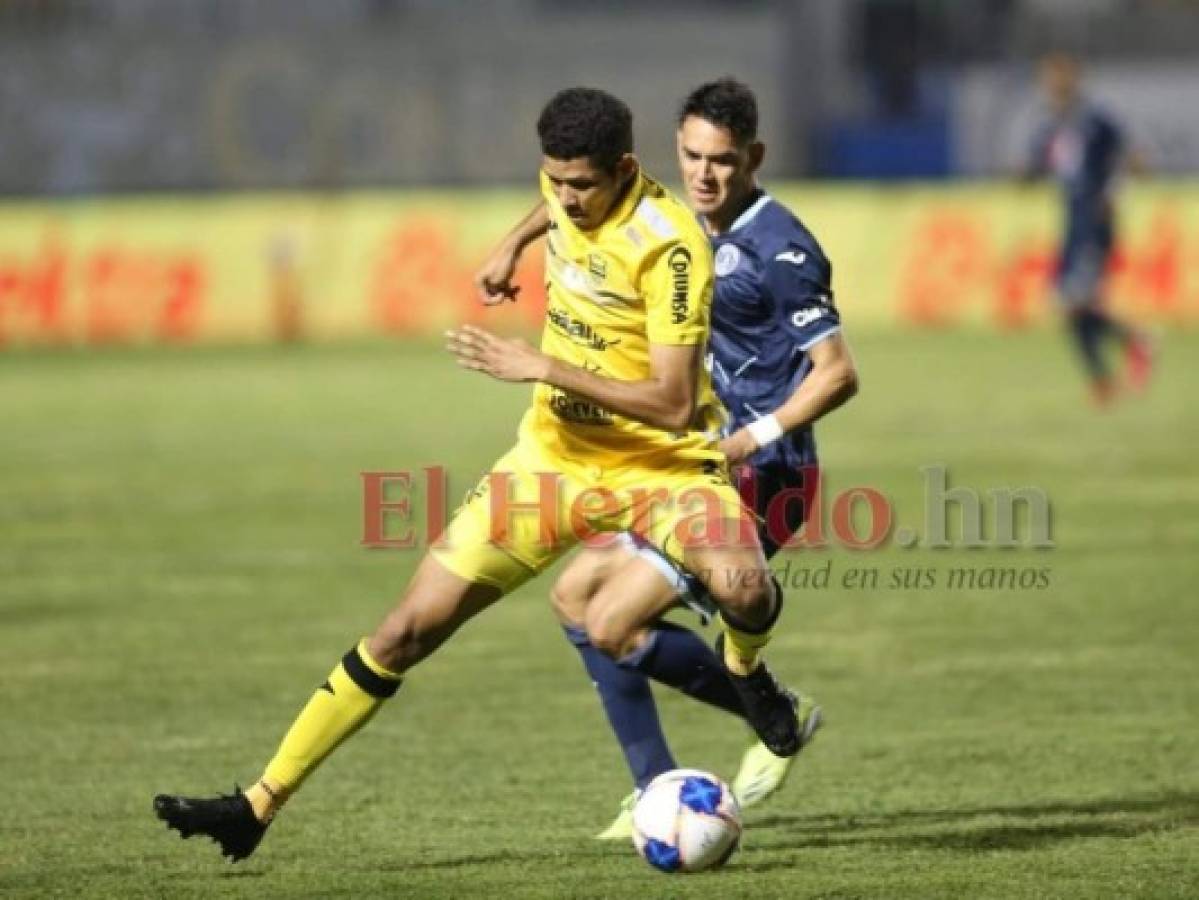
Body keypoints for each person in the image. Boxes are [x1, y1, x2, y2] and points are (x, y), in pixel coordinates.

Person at [153, 86, 802, 862]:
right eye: (552, 179)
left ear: (624, 169)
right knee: (402, 632)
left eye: (580, 185)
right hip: (550, 464)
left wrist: (540, 363)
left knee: (745, 589)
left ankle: (744, 667)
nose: (564, 196)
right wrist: (511, 246)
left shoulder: (669, 246)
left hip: (661, 468)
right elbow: (549, 207)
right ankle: (255, 805)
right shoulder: (564, 188)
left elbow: (668, 401)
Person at [476, 78, 859, 839]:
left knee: (612, 622)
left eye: (720, 159)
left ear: (752, 156)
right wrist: (517, 238)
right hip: (680, 463)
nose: (702, 173)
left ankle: (764, 711)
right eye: (689, 154)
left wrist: (753, 436)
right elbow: (569, 190)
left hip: (759, 473)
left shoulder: (779, 248)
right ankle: (659, 784)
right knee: (571, 605)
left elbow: (838, 373)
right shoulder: (673, 221)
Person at [1026, 53, 1153, 405]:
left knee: (1075, 300)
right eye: (1046, 78)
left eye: (1057, 77)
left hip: (1095, 223)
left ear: (1073, 79)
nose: (1050, 85)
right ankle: (1110, 369)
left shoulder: (1096, 118)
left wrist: (1115, 191)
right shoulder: (1052, 123)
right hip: (1072, 222)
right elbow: (1040, 165)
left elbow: (1132, 155)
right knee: (1067, 304)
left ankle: (1130, 345)